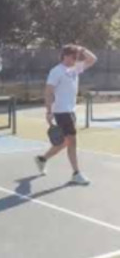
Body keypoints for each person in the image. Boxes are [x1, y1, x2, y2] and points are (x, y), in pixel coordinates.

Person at [35, 44, 97, 185]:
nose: (76, 58)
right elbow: (48, 91)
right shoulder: (56, 71)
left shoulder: (75, 69)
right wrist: (49, 111)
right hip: (61, 111)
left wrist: (81, 49)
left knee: (65, 142)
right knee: (72, 142)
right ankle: (76, 173)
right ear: (65, 56)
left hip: (71, 111)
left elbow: (93, 59)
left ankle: (42, 159)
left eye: (76, 56)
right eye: (73, 56)